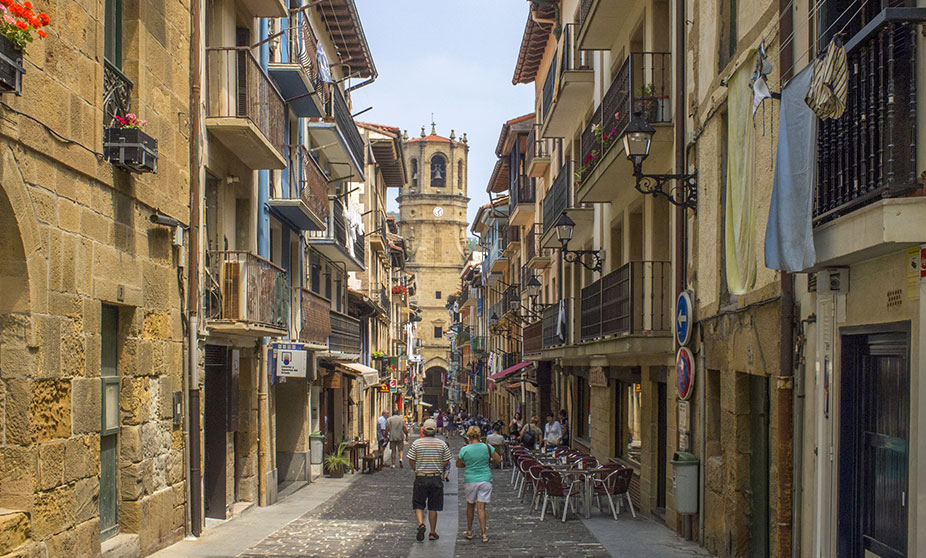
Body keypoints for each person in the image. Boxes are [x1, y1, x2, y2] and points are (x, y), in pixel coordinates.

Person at [407, 419, 453, 542]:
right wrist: (439, 466)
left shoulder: (417, 443)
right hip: (435, 478)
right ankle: (432, 532)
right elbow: (447, 460)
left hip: (421, 476)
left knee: (418, 503)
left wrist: (416, 469)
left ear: (423, 430)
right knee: (433, 506)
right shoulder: (441, 444)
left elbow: (411, 459)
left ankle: (421, 524)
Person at [456, 426, 500, 542]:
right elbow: (498, 459)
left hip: (470, 479)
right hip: (485, 479)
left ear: (469, 436)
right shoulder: (487, 447)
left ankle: (469, 531)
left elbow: (458, 464)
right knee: (481, 508)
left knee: (470, 505)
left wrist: (467, 463)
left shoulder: (465, 449)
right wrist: (488, 460)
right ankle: (483, 533)